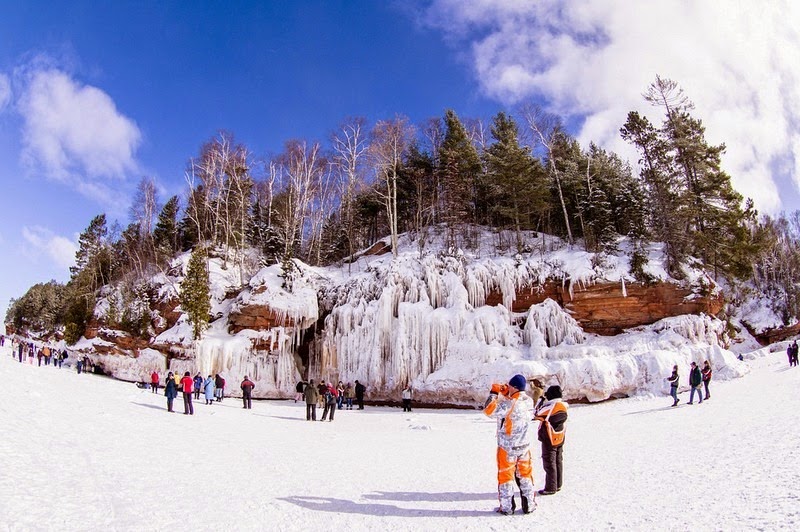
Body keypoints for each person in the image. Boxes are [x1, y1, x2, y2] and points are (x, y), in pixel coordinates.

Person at [484, 374, 536, 515]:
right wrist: (508, 394)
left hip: (507, 448)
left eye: (509, 385)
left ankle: (507, 507)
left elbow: (488, 409)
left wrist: (494, 393)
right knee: (525, 475)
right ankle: (529, 505)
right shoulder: (529, 401)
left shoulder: (508, 404)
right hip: (524, 446)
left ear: (513, 386)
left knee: (506, 476)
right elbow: (514, 406)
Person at [534, 385, 569, 496]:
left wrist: (541, 399)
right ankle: (558, 484)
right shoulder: (564, 405)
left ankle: (550, 487)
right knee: (558, 461)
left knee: (549, 462)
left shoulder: (551, 406)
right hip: (559, 436)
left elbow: (536, 414)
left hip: (549, 438)